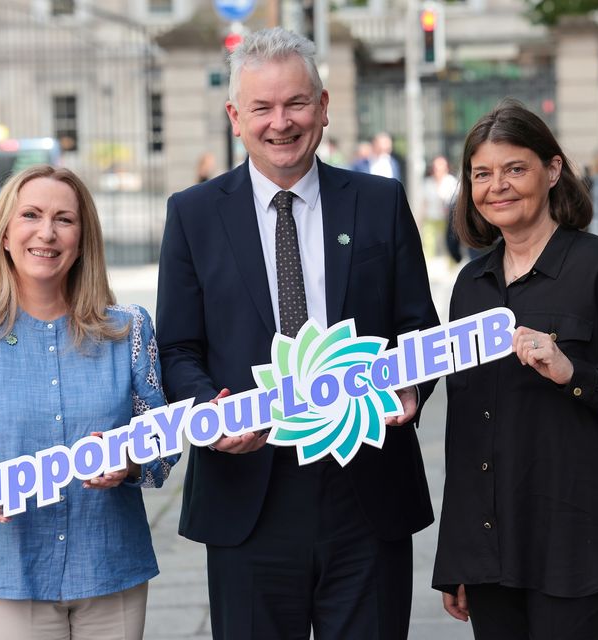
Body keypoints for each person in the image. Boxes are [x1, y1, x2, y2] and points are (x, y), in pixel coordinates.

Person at [156, 27, 439, 640]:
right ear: (236, 116)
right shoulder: (193, 214)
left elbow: (417, 325)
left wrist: (414, 386)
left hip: (365, 486)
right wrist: (210, 412)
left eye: (296, 103)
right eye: (262, 107)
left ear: (324, 107)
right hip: (248, 495)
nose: (280, 122)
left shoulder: (380, 201)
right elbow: (177, 348)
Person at [432, 99, 598, 638]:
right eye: (482, 174)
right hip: (493, 553)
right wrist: (457, 556)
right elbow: (466, 434)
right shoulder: (469, 287)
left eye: (515, 168)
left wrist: (575, 374)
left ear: (552, 171)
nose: (497, 186)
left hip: (580, 548)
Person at [0, 165, 178, 640]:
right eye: (31, 215)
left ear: (83, 238)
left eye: (64, 220)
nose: (47, 233)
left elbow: (163, 439)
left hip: (111, 569)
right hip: (9, 576)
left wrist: (132, 461)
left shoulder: (129, 329)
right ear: (5, 234)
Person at [421, 155, 459, 259]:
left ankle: (452, 266)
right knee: (429, 244)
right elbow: (424, 203)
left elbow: (455, 202)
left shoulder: (451, 182)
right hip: (431, 217)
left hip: (447, 220)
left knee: (448, 243)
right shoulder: (427, 183)